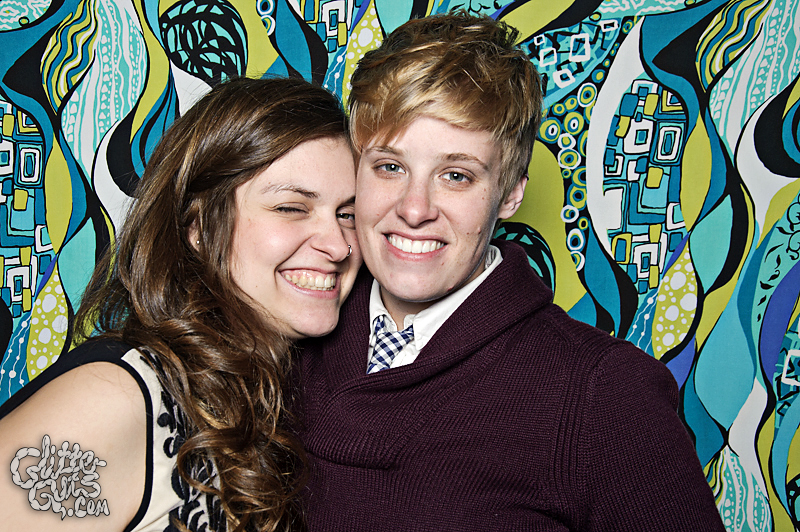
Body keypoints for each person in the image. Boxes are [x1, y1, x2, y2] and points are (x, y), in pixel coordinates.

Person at [295, 11, 726, 531]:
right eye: (391, 167)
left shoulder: (601, 391)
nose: (414, 208)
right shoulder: (293, 327)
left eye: (456, 175)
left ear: (511, 194)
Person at [0, 76, 361, 531]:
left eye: (348, 214)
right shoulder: (118, 398)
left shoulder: (280, 395)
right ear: (198, 227)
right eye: (291, 208)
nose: (339, 245)